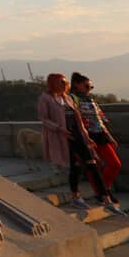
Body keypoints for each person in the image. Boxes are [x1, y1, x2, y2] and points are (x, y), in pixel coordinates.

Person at [37, 73, 122, 215]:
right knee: (75, 167)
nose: (65, 85)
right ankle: (75, 196)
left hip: (77, 135)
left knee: (92, 164)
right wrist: (59, 129)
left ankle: (106, 200)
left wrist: (85, 135)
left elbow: (78, 119)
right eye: (61, 82)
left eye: (65, 82)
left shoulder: (68, 98)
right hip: (63, 137)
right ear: (52, 83)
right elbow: (43, 119)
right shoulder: (46, 98)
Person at [71, 73, 122, 197]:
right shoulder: (72, 99)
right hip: (86, 136)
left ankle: (104, 188)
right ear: (77, 85)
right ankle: (101, 193)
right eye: (87, 86)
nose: (90, 89)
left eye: (91, 87)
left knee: (115, 164)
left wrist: (109, 136)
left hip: (100, 135)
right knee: (94, 166)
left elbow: (100, 119)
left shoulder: (91, 100)